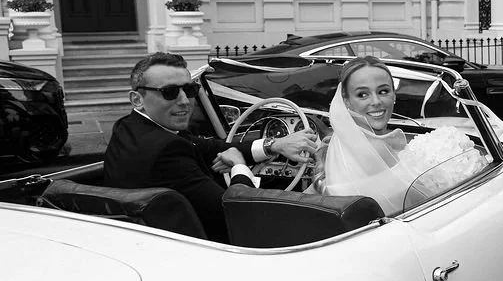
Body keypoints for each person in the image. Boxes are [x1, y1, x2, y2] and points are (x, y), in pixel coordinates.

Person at [103, 52, 318, 242]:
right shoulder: (165, 151)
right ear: (137, 99)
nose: (185, 101)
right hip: (212, 244)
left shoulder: (130, 127)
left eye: (189, 90)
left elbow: (206, 146)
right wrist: (238, 166)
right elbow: (239, 212)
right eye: (169, 92)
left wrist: (274, 145)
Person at [317, 56, 413, 214]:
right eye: (362, 94)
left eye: (383, 91)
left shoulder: (337, 140)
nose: (376, 101)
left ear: (394, 95)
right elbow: (422, 197)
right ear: (346, 100)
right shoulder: (376, 149)